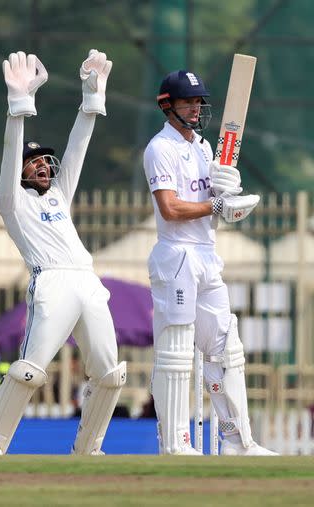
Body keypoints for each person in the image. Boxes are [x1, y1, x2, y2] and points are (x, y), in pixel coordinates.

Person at [0, 50, 126, 456]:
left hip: (86, 280)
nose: (43, 168)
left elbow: (77, 149)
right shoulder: (12, 202)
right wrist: (18, 108)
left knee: (111, 375)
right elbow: (10, 160)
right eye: (35, 163)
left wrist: (91, 102)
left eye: (46, 162)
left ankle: (87, 452)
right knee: (28, 372)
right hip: (52, 281)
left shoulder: (60, 194)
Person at [144, 69, 275, 455]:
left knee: (226, 349)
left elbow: (209, 209)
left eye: (199, 101)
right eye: (188, 101)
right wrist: (215, 203)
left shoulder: (203, 147)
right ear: (167, 105)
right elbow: (169, 208)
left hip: (206, 252)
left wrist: (226, 194)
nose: (196, 108)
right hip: (176, 254)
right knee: (177, 352)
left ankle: (239, 441)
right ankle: (175, 442)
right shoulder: (159, 148)